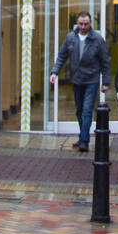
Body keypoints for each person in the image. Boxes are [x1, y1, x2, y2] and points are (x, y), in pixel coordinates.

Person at [49, 11, 110, 153]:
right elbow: (62, 56)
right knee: (79, 111)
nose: (83, 27)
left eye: (86, 24)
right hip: (76, 79)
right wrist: (54, 72)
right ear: (77, 23)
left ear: (90, 24)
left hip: (91, 80)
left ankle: (84, 141)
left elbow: (105, 62)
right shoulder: (71, 38)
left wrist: (105, 82)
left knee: (87, 111)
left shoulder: (97, 39)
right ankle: (83, 135)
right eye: (81, 24)